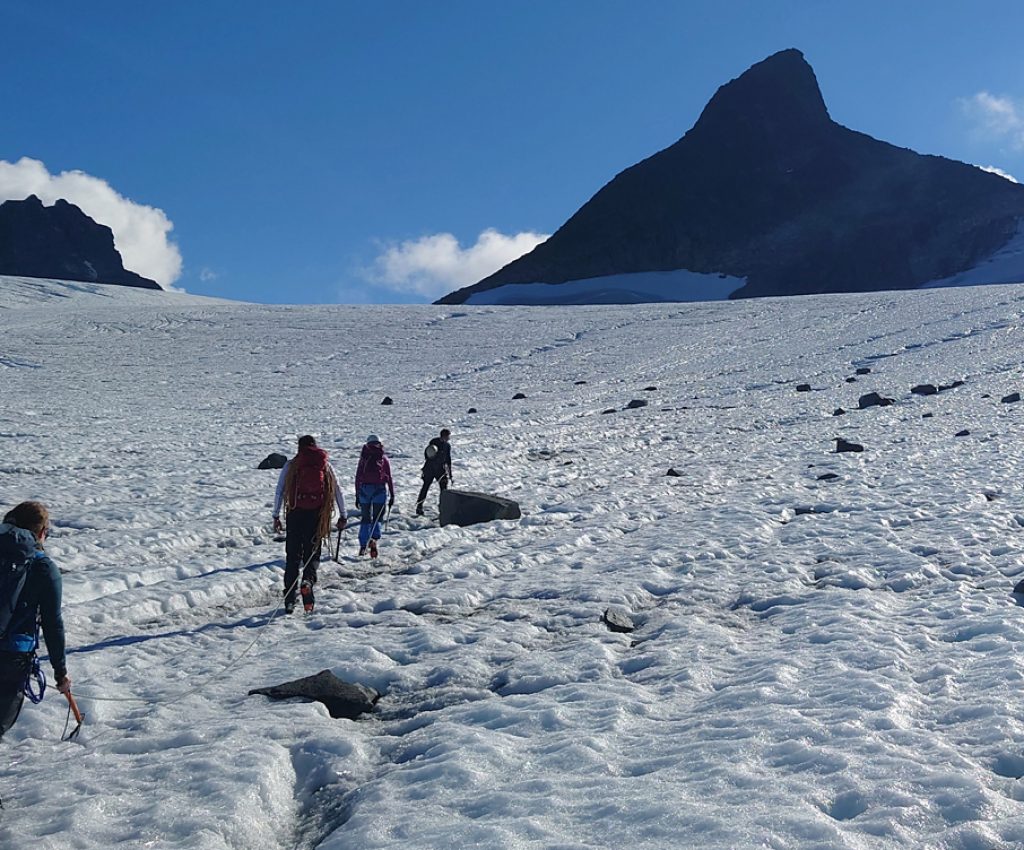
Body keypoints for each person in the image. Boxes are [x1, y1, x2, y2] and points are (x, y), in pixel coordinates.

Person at [0, 501, 70, 744]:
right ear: (41, 533)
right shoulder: (43, 567)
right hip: (12, 655)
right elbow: (53, 624)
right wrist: (60, 673)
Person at [272, 435, 346, 613]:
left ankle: (289, 600)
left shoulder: (291, 465)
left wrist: (275, 515)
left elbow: (280, 490)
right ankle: (307, 582)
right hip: (316, 515)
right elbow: (337, 490)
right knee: (312, 554)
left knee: (293, 557)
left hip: (295, 513)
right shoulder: (324, 465)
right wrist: (343, 514)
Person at [355, 435, 394, 558]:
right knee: (377, 517)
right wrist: (392, 494)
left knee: (365, 517)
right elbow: (389, 477)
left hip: (364, 490)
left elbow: (358, 477)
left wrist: (357, 495)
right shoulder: (383, 458)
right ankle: (374, 539)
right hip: (379, 489)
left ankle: (363, 545)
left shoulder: (363, 458)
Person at [415, 428, 452, 516]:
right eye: (448, 436)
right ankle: (419, 506)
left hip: (440, 469)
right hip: (430, 468)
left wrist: (450, 473)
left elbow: (448, 460)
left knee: (444, 489)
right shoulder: (434, 442)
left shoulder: (447, 446)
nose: (448, 438)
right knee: (426, 486)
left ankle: (444, 508)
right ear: (444, 436)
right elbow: (428, 454)